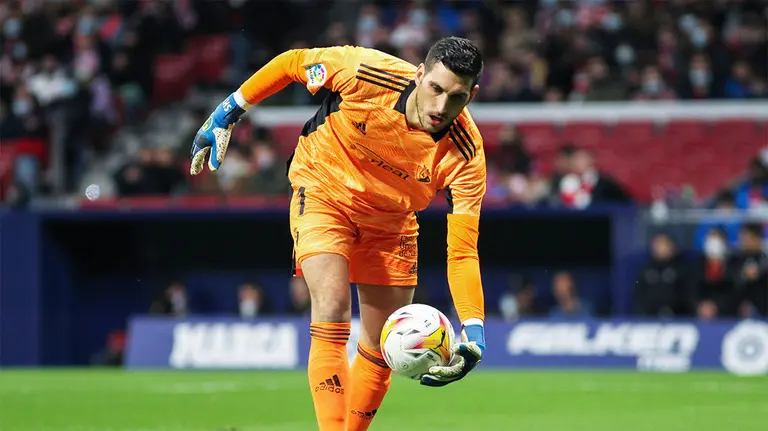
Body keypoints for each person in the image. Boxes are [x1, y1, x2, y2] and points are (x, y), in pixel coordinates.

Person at [190, 37, 487, 431]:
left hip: (393, 222)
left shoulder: (466, 154)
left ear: (472, 95)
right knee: (331, 307)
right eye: (436, 88)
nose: (441, 106)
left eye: (457, 97)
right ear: (420, 74)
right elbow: (292, 62)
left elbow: (463, 252)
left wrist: (476, 335)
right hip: (324, 190)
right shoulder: (365, 72)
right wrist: (229, 110)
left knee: (381, 345)